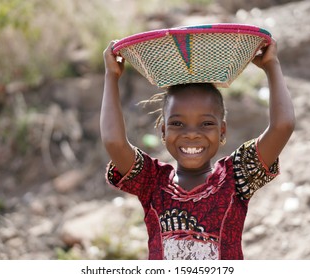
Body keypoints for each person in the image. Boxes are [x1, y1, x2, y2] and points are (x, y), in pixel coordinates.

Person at [100, 38, 295, 260]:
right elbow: (114, 143)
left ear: (222, 131)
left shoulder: (237, 176)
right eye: (177, 124)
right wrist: (111, 76)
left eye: (206, 124)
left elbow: (283, 126)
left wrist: (272, 66)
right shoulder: (151, 181)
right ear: (163, 131)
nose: (191, 134)